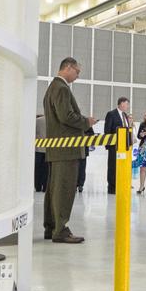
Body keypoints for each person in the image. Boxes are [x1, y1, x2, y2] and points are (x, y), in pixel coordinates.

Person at [43, 57, 96, 244]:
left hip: (58, 148)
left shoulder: (53, 88)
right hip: (66, 148)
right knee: (64, 189)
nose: (78, 75)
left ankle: (52, 226)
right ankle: (60, 230)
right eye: (77, 71)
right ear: (67, 67)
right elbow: (66, 116)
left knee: (54, 189)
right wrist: (86, 122)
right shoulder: (61, 88)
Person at [103, 96, 131, 194]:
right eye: (127, 104)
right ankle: (111, 187)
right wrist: (108, 145)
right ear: (122, 103)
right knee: (112, 166)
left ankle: (120, 185)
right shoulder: (111, 114)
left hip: (124, 146)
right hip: (114, 146)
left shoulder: (125, 115)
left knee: (121, 166)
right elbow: (107, 130)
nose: (127, 106)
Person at [34, 113, 48, 192]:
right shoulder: (52, 122)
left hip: (38, 149)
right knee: (46, 169)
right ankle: (45, 187)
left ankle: (38, 186)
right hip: (48, 148)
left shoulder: (37, 121)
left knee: (37, 168)